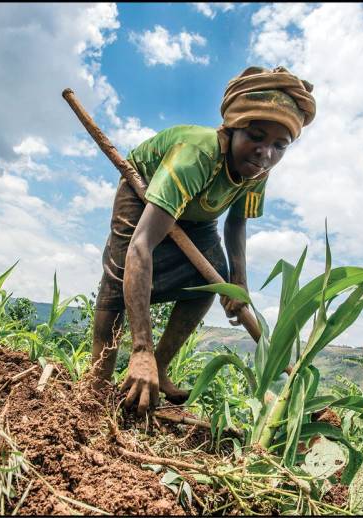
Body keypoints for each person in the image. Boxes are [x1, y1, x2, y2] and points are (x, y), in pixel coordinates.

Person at [88, 66, 316, 415]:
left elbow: (236, 222)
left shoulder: (259, 169)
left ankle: (160, 369)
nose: (265, 153)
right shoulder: (197, 154)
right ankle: (98, 382)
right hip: (146, 191)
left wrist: (237, 286)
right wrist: (140, 349)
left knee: (211, 281)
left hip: (199, 215)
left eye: (278, 146)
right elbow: (141, 246)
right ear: (233, 127)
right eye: (255, 136)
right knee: (119, 279)